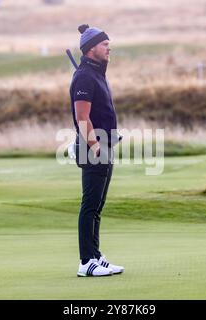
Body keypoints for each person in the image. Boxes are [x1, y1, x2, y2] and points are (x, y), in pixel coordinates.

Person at [69, 24, 124, 277]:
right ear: (91, 49)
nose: (108, 47)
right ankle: (85, 262)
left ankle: (95, 256)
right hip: (95, 148)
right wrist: (95, 147)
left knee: (98, 206)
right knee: (90, 205)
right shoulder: (84, 77)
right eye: (104, 44)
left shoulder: (96, 74)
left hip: (105, 145)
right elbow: (83, 118)